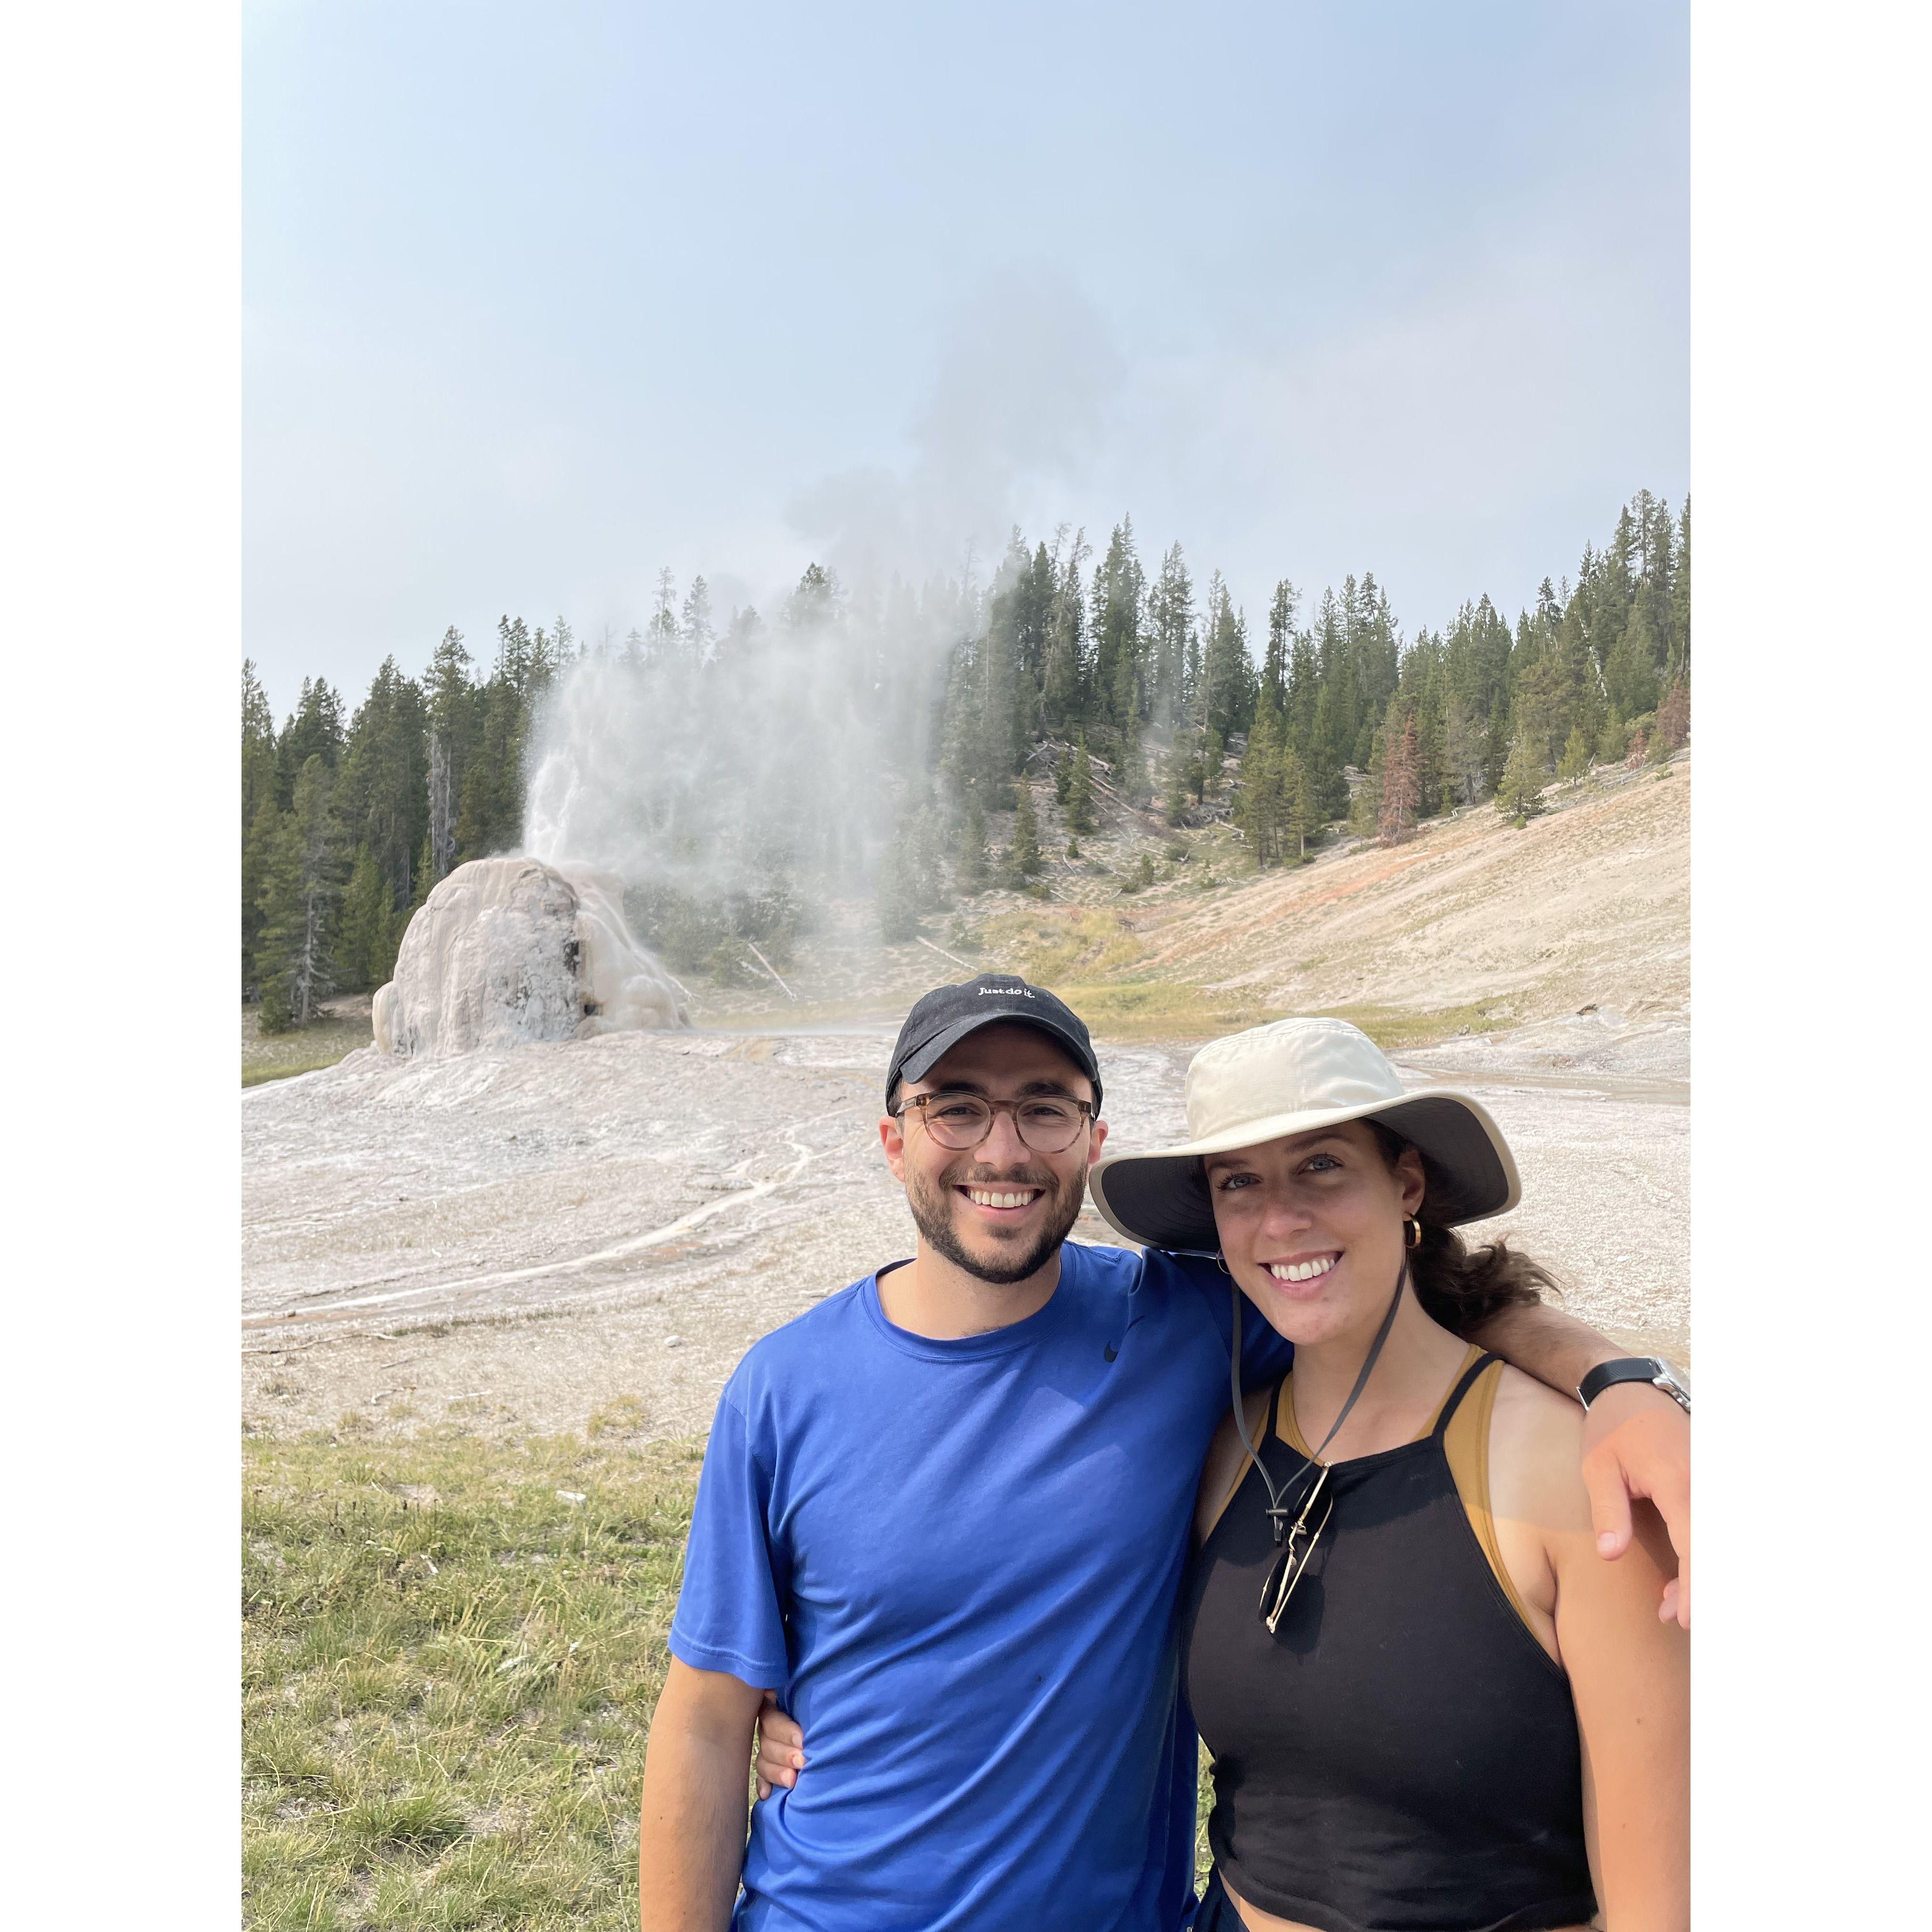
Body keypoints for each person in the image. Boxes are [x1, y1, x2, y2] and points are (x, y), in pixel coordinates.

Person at [636, 978, 1689, 1932]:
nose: (1002, 1150)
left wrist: (1618, 1381)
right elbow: (705, 1723)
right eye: (956, 1105)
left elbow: (1416, 1301)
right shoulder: (782, 1388)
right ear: (893, 1137)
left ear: (1091, 1140)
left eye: (1044, 1105)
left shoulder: (1191, 1327)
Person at [1087, 1016, 1689, 1931]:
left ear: (1406, 1182)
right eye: (1239, 1182)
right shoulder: (1225, 1445)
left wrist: (1626, 1382)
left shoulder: (1570, 1474)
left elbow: (1657, 1910)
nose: (1281, 1218)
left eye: (1321, 1165)